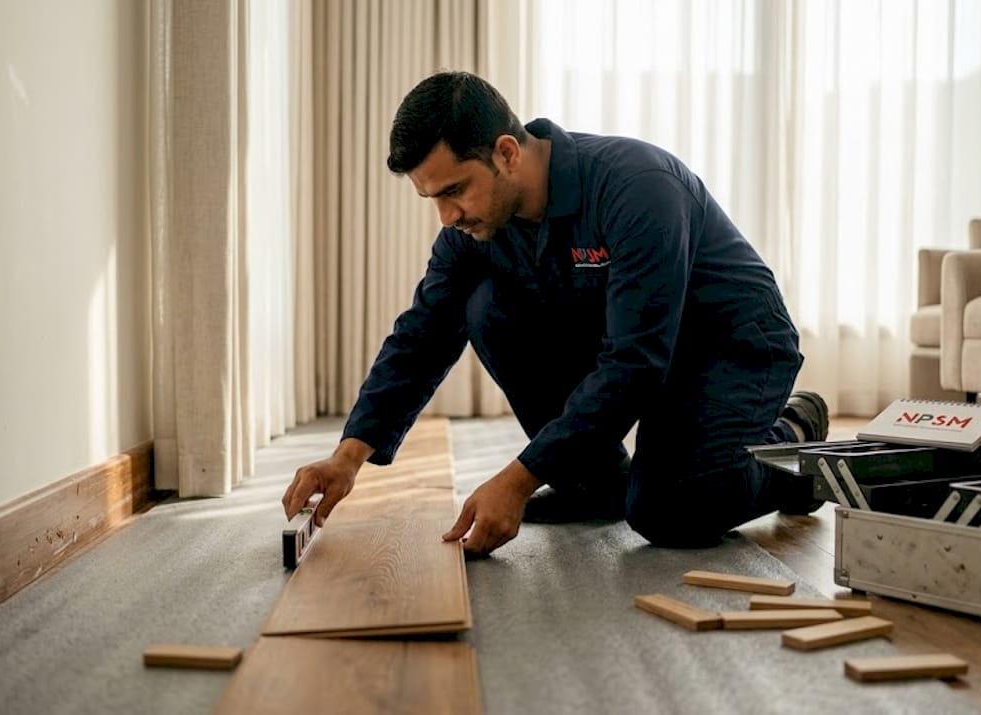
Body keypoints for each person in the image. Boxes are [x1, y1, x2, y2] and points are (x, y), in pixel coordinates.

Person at [282, 71, 828, 556]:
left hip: (730, 346)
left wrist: (518, 480)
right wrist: (348, 456)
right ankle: (596, 482)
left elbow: (635, 363)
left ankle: (798, 443)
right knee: (487, 308)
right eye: (433, 200)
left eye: (454, 191)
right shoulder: (474, 230)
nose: (448, 216)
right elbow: (420, 336)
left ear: (506, 153)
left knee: (668, 508)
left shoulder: (636, 186)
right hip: (636, 347)